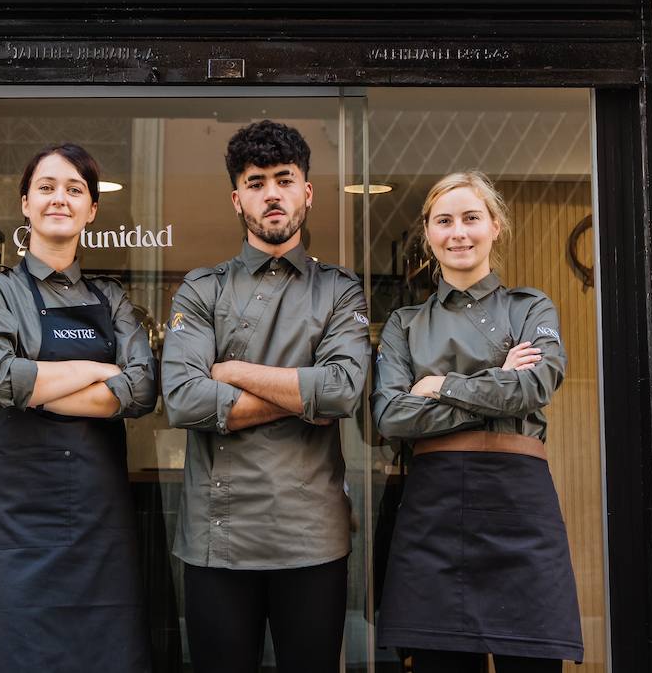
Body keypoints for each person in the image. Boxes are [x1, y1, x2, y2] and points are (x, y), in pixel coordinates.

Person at [161, 120, 371, 673]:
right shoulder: (202, 287)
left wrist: (232, 371)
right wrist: (304, 395)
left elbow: (344, 389)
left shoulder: (340, 288)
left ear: (308, 191)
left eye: (284, 178)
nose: (271, 193)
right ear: (237, 199)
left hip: (312, 534)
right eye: (256, 183)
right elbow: (183, 398)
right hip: (217, 535)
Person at [371, 169, 583, 672]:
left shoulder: (531, 307)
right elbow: (392, 416)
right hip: (434, 509)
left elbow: (533, 385)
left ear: (495, 227)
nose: (458, 232)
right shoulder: (404, 323)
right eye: (444, 221)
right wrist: (496, 384)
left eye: (471, 218)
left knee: (530, 661)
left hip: (520, 505)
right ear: (429, 234)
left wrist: (442, 385)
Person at [0, 143, 157, 673]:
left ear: (92, 209)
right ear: (25, 203)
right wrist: (99, 371)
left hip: (99, 519)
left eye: (74, 190)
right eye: (46, 187)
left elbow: (140, 391)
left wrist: (41, 385)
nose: (59, 199)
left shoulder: (111, 298)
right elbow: (2, 378)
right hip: (15, 521)